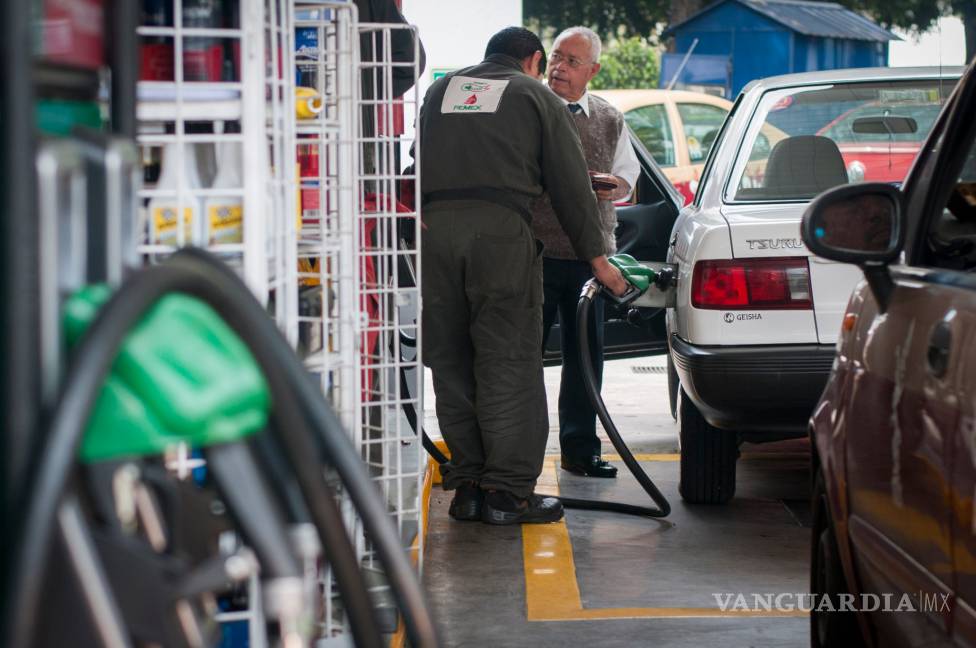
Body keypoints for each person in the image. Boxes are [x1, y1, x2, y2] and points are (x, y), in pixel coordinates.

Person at [418, 27, 628, 525]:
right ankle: (507, 495)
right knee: (507, 361)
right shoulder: (535, 96)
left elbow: (416, 162)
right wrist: (598, 261)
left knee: (452, 359)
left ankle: (467, 484)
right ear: (533, 60)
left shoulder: (441, 89)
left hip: (435, 237)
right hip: (500, 235)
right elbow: (572, 188)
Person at [532, 26, 640, 479]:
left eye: (572, 61)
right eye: (556, 57)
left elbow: (628, 180)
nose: (559, 67)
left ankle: (579, 451)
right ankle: (520, 454)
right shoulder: (530, 109)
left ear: (593, 70)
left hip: (590, 259)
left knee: (584, 360)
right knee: (522, 359)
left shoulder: (610, 117)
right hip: (534, 254)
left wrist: (616, 186)